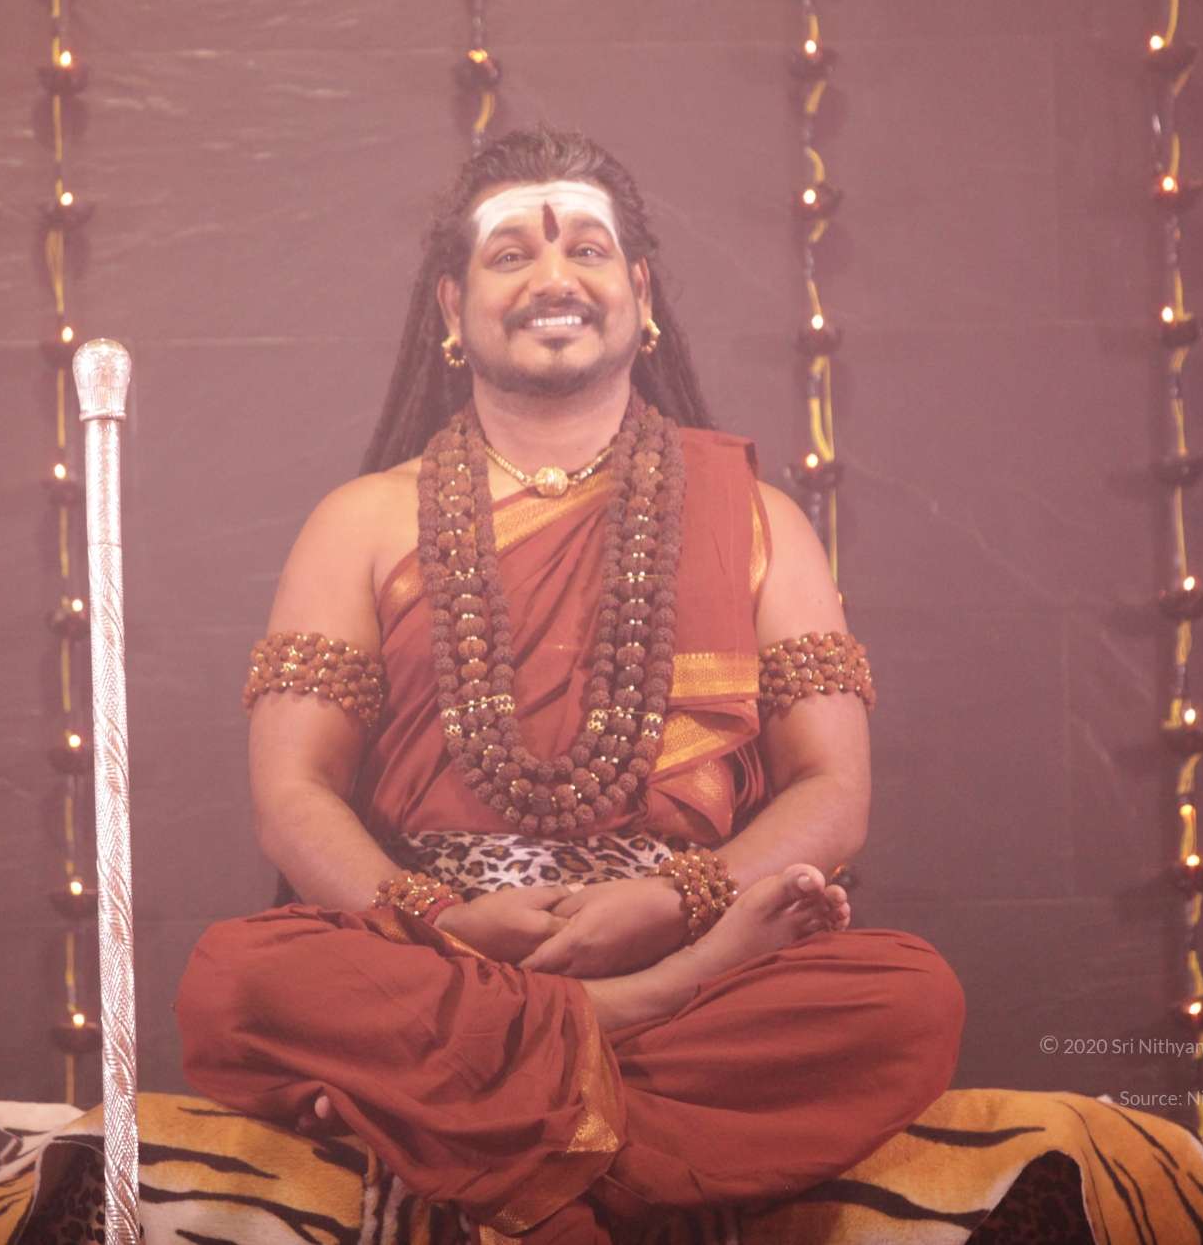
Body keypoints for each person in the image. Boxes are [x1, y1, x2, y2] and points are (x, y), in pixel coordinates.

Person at [175, 124, 965, 1244]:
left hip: (685, 933)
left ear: (640, 293)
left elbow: (832, 792)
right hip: (450, 948)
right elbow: (293, 792)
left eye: (586, 250)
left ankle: (467, 1104)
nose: (554, 278)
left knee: (905, 996)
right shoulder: (361, 522)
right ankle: (618, 1032)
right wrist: (447, 920)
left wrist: (674, 905)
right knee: (241, 980)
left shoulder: (757, 521)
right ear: (452, 308)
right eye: (511, 255)